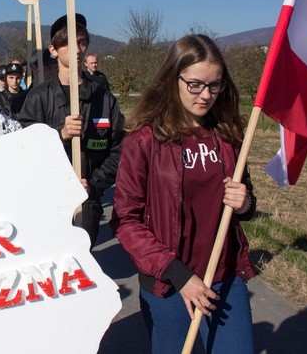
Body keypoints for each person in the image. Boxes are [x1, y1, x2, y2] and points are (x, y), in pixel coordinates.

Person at [110, 34, 257, 354]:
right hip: (169, 285)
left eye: (214, 85)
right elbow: (125, 221)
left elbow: (244, 197)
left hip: (224, 276)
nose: (206, 95)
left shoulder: (229, 133)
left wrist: (245, 202)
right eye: (195, 85)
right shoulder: (144, 141)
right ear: (173, 79)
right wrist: (179, 274)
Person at [18, 13, 125, 249]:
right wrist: (60, 135)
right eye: (67, 43)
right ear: (53, 50)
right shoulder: (38, 98)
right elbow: (23, 151)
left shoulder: (104, 99)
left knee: (83, 269)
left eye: (82, 42)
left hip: (87, 203)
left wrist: (93, 184)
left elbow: (118, 151)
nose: (77, 49)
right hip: (46, 203)